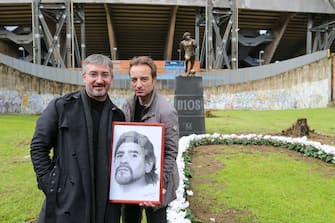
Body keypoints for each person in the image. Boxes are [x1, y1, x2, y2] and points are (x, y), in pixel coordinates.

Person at [30, 54, 125, 223]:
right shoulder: (61, 107)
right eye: (93, 74)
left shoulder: (118, 116)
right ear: (84, 77)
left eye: (105, 74)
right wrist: (51, 184)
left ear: (112, 78)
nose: (99, 80)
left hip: (106, 203)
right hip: (68, 201)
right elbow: (38, 146)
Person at [121, 56, 179, 223]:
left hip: (157, 181)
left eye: (144, 79)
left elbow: (170, 152)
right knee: (129, 219)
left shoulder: (166, 111)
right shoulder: (127, 105)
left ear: (154, 80)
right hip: (132, 179)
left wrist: (158, 185)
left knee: (156, 219)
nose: (138, 84)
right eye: (134, 79)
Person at [110, 130, 159, 201]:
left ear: (148, 164)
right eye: (120, 155)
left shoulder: (152, 195)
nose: (123, 161)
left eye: (133, 155)